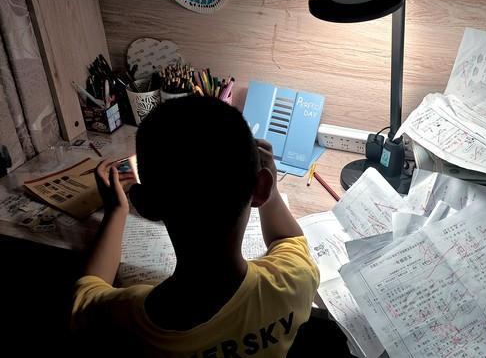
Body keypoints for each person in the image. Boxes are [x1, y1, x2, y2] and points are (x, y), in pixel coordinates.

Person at [72, 97, 320, 357]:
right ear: (261, 189)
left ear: (145, 205)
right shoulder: (293, 283)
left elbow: (85, 294)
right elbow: (289, 240)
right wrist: (271, 191)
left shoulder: (125, 320)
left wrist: (115, 211)